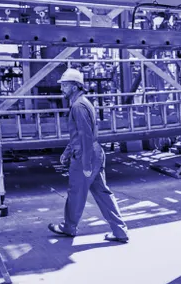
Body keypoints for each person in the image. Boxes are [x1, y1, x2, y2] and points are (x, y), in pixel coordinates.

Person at [47, 68, 130, 242]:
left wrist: (85, 165)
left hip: (87, 154)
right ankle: (120, 231)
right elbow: (80, 134)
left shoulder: (78, 106)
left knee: (76, 192)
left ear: (76, 87)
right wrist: (67, 151)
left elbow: (85, 135)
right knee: (102, 193)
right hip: (93, 152)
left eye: (65, 85)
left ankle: (69, 227)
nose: (62, 88)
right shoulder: (82, 103)